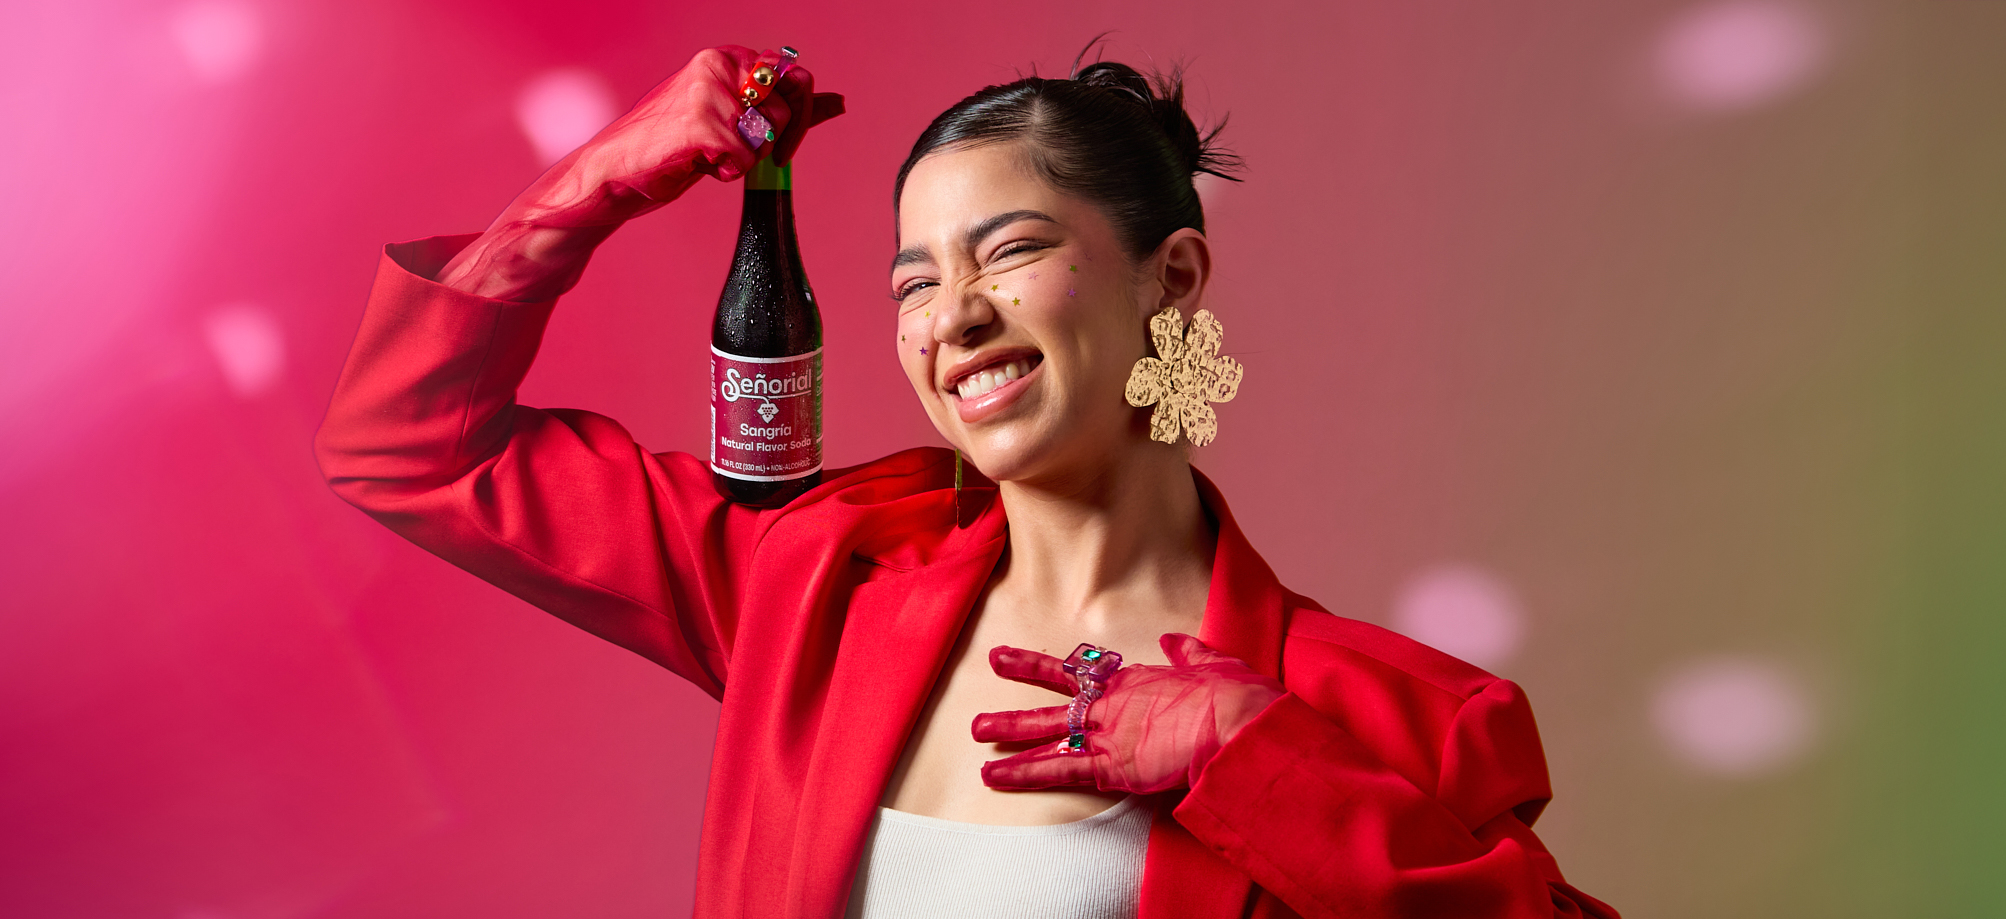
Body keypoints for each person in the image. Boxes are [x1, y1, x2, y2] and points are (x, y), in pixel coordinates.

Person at [317, 44, 1617, 919]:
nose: (952, 317)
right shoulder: (807, 583)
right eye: (913, 282)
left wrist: (1254, 761)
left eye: (1009, 252)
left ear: (1167, 281)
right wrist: (602, 177)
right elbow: (409, 444)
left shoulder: (1392, 716)